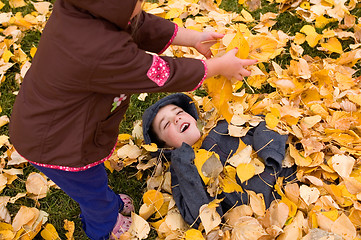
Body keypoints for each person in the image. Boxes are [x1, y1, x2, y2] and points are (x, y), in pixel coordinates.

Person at [9, 0, 258, 239]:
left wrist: (193, 38)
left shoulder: (83, 10)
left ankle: (106, 200)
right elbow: (161, 73)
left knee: (92, 181)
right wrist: (216, 67)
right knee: (89, 189)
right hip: (57, 143)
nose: (142, 4)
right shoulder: (99, 50)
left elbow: (141, 24)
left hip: (54, 121)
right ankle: (104, 226)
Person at [142, 93, 297, 228]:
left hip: (290, 176)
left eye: (179, 112)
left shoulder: (221, 125)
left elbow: (266, 123)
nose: (176, 119)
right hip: (262, 219)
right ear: (165, 147)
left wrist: (271, 154)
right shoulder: (180, 172)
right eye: (166, 124)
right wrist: (183, 165)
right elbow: (198, 217)